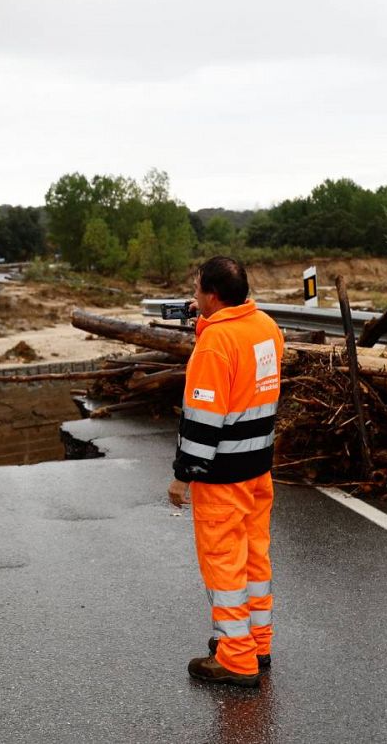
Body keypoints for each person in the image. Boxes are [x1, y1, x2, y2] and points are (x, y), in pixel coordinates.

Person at [168, 257, 284, 688]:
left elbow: (203, 418)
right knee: (255, 556)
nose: (194, 296)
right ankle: (257, 640)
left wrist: (184, 474)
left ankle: (236, 659)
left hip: (222, 474)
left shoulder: (216, 344)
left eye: (197, 289)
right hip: (258, 469)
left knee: (224, 563)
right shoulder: (266, 328)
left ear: (213, 295)